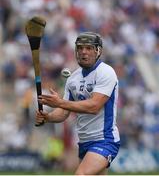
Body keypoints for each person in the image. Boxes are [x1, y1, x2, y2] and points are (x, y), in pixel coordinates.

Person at [36, 32, 120, 175]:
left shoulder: (106, 72)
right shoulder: (73, 78)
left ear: (98, 51)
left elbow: (94, 106)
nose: (83, 52)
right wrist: (48, 117)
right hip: (84, 141)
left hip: (104, 140)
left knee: (80, 174)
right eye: (80, 48)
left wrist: (61, 102)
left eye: (88, 48)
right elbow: (63, 113)